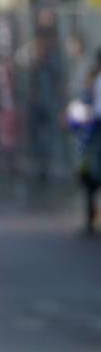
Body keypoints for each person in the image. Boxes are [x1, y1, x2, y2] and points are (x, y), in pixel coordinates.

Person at [70, 49, 101, 235]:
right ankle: (90, 218)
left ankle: (91, 218)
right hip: (92, 137)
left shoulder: (97, 81)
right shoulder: (94, 81)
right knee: (89, 176)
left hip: (95, 136)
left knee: (91, 175)